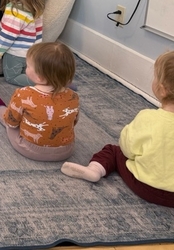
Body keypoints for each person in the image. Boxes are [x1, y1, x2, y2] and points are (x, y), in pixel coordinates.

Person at [61, 51, 174, 208]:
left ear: (162, 89)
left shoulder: (148, 118)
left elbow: (128, 149)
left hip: (146, 187)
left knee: (113, 151)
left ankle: (95, 169)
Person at [0, 42, 79, 162]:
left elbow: (11, 122)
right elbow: (74, 121)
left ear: (39, 77)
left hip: (30, 149)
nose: (26, 68)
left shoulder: (23, 94)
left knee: (8, 119)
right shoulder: (74, 96)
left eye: (28, 66)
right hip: (66, 150)